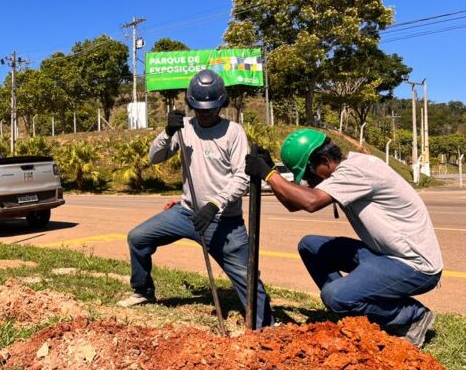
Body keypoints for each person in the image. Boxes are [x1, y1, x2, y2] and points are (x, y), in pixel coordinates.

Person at [245, 129, 443, 347]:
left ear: (324, 160)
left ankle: (413, 316)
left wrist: (270, 176)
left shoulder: (357, 171)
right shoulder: (342, 170)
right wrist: (272, 172)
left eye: (310, 174)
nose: (310, 182)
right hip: (385, 256)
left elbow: (310, 202)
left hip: (415, 265)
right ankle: (352, 308)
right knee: (310, 246)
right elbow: (294, 204)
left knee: (336, 296)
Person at [117, 69, 275, 329]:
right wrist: (167, 132)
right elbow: (154, 158)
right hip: (186, 213)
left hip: (225, 220)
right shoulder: (184, 128)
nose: (205, 113)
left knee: (247, 278)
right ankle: (143, 291)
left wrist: (215, 205)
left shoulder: (233, 132)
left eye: (211, 108)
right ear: (191, 104)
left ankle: (264, 326)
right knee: (138, 238)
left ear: (222, 104)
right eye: (199, 108)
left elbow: (241, 178)